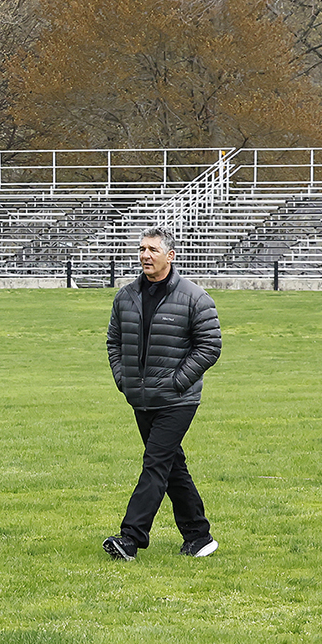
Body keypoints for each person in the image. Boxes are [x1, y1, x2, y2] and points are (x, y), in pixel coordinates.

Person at [103, 227, 221, 560]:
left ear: (170, 256)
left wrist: (177, 382)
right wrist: (124, 380)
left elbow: (210, 346)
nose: (145, 255)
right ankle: (198, 535)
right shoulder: (125, 296)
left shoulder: (195, 297)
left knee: (155, 464)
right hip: (141, 398)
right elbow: (114, 342)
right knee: (171, 466)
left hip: (178, 400)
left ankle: (130, 537)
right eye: (142, 249)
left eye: (153, 250)